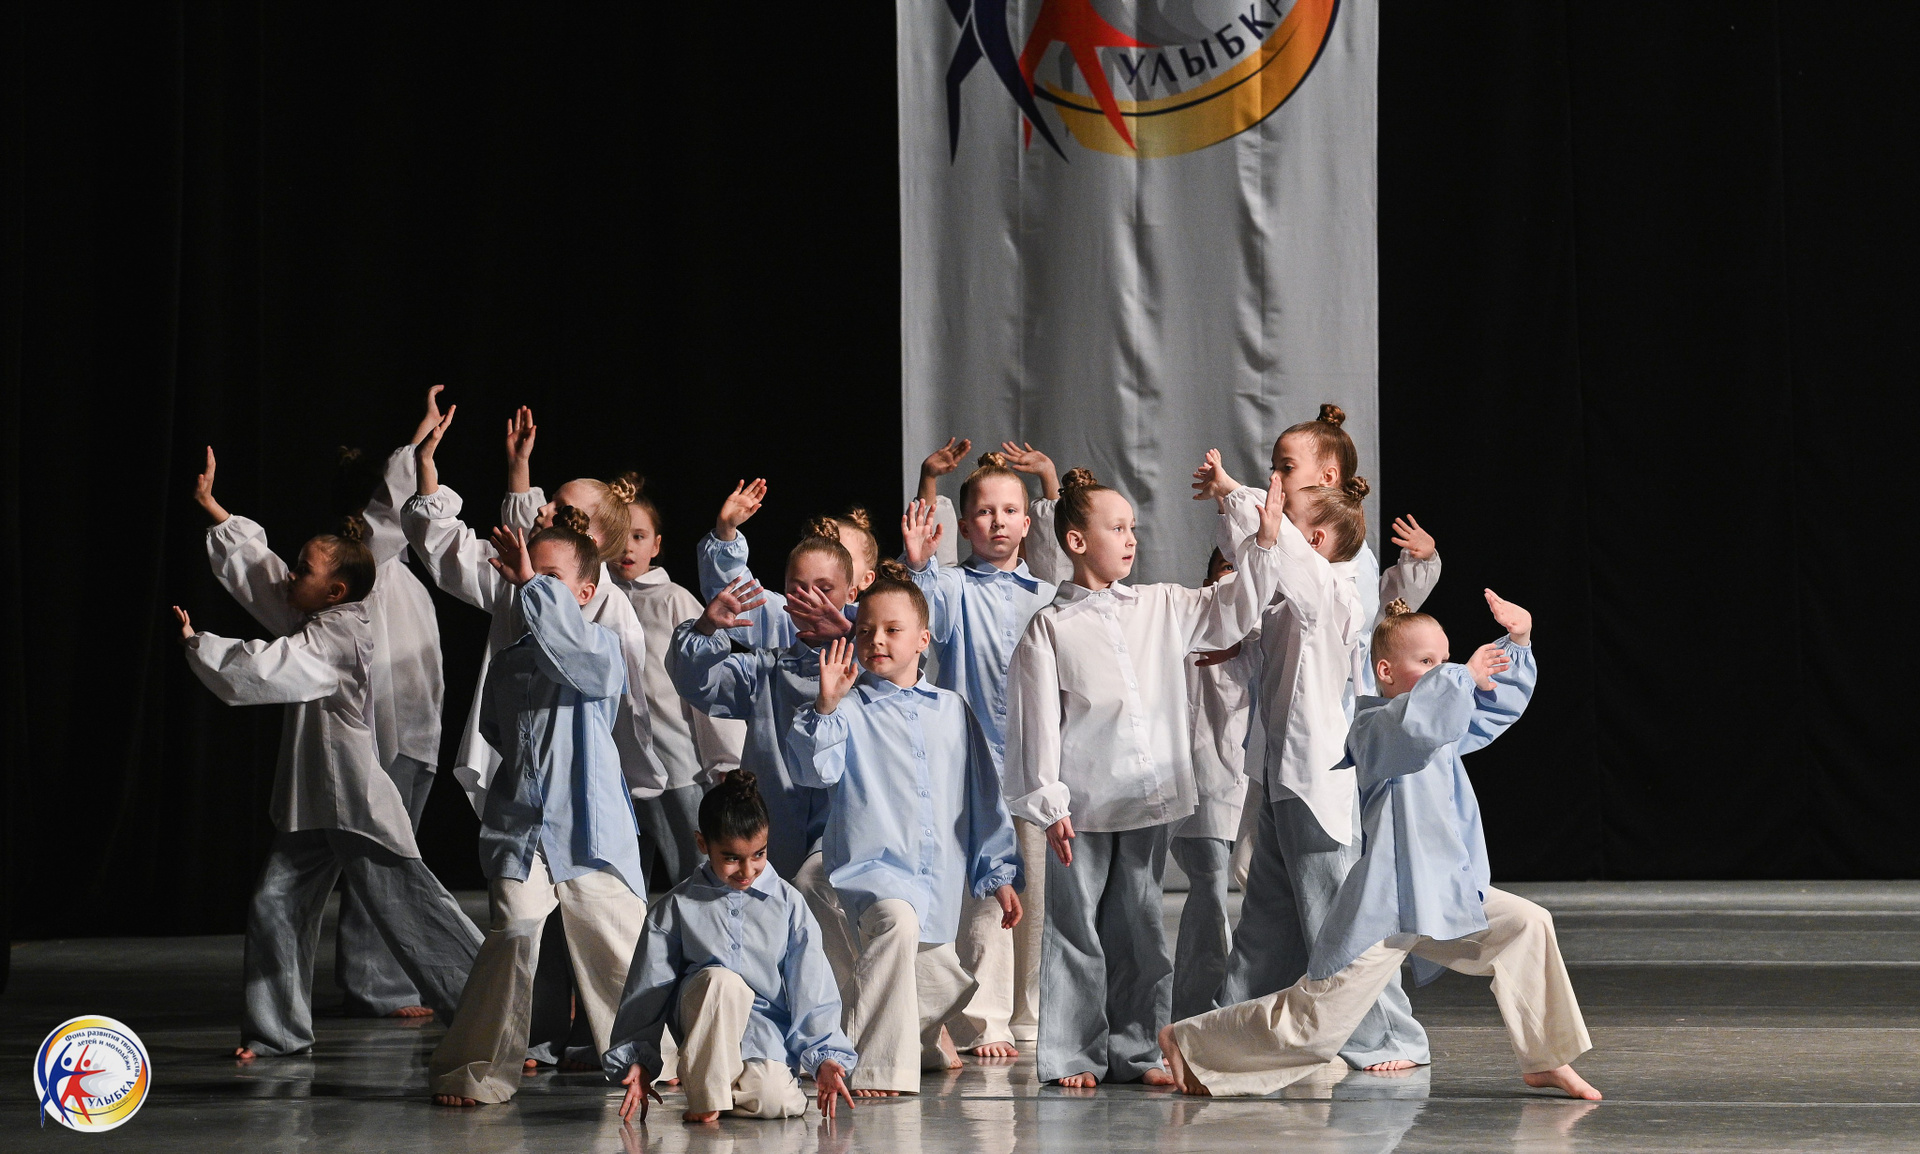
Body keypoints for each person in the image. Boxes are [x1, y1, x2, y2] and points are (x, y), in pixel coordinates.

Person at [1160, 592, 1601, 1102]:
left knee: (1528, 925)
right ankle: (1189, 1041)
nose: (1443, 669)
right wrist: (1460, 676)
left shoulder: (1442, 722)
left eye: (1445, 658)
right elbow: (1415, 725)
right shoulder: (1372, 727)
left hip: (1441, 894)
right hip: (1387, 904)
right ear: (1385, 672)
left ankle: (1547, 1058)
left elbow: (1486, 707)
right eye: (1427, 662)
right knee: (1318, 1021)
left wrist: (1517, 642)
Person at [177, 450, 479, 1061]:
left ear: (335, 587)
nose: (291, 576)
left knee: (408, 902)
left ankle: (493, 1008)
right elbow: (266, 576)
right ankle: (276, 1032)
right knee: (278, 901)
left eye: (304, 570)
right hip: (318, 793)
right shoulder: (320, 611)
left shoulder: (339, 629)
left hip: (351, 793)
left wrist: (200, 645)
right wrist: (216, 512)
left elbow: (271, 668)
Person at [1003, 466, 1285, 1088]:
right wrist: (1048, 801)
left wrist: (1263, 547)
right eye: (1117, 529)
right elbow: (1035, 721)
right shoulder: (1051, 626)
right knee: (1076, 929)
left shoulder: (1159, 605)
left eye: (1133, 528)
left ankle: (1135, 1050)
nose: (1131, 539)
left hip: (1147, 797)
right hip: (1082, 806)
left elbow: (1231, 612)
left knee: (1139, 927)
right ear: (1077, 541)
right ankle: (1074, 1054)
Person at [1187, 410, 1442, 1071]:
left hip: (1321, 769)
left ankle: (1389, 1037)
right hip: (1284, 770)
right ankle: (1229, 1035)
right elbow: (1260, 567)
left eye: (1286, 473)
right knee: (1267, 920)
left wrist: (1234, 492)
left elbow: (1286, 555)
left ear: (1321, 532)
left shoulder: (1335, 583)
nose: (1274, 485)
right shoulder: (1299, 582)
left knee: (1339, 913)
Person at [429, 523, 652, 1106]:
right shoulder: (507, 663)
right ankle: (477, 1066)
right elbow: (496, 732)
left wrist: (530, 582)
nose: (533, 585)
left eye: (551, 578)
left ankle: (645, 1056)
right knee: (512, 934)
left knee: (614, 943)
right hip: (522, 827)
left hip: (589, 828)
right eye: (529, 575)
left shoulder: (600, 646)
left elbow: (577, 661)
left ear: (585, 592)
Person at [789, 564, 1023, 1094]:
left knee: (939, 980)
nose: (876, 640)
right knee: (896, 924)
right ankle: (867, 1066)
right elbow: (813, 770)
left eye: (892, 630)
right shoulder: (846, 710)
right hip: (871, 874)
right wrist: (825, 706)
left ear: (923, 638)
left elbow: (982, 798)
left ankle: (917, 1044)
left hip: (936, 882)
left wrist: (999, 871)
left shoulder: (953, 710)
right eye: (866, 630)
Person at [900, 449, 1055, 1056]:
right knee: (987, 896)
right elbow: (923, 609)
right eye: (985, 512)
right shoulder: (953, 586)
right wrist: (920, 560)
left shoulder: (1045, 593)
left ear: (1027, 523)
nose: (998, 522)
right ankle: (983, 1019)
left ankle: (1031, 1011)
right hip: (972, 765)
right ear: (964, 526)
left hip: (1036, 766)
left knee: (1036, 894)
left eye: (1010, 511)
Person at [665, 531, 864, 994]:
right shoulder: (765, 670)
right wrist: (706, 628)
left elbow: (906, 675)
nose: (811, 601)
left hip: (847, 832)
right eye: (798, 590)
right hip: (776, 834)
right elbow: (697, 683)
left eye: (825, 589)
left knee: (817, 889)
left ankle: (848, 1012)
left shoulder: (869, 667)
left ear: (851, 593)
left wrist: (851, 636)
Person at [605, 771, 858, 1123]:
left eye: (758, 854)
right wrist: (638, 1060)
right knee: (721, 980)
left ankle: (721, 1086)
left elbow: (812, 986)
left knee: (776, 1102)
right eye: (731, 858)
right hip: (705, 1023)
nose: (747, 870)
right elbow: (647, 990)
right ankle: (707, 1095)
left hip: (764, 1034)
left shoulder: (789, 905)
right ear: (702, 843)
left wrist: (824, 1058)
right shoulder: (676, 906)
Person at [321, 397, 450, 1021]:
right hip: (382, 738)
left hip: (413, 737)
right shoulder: (367, 563)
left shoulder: (399, 573)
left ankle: (385, 979)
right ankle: (374, 985)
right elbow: (392, 501)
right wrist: (421, 443)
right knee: (379, 860)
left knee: (397, 859)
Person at [608, 472, 747, 889]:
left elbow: (706, 682)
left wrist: (725, 759)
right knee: (620, 884)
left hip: (675, 765)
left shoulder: (673, 600)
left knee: (695, 872)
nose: (628, 547)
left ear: (656, 544)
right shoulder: (598, 600)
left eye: (638, 536)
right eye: (620, 536)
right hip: (618, 769)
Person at [1169, 549, 1255, 1021]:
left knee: (1266, 892)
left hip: (1260, 783)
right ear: (1208, 581)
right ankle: (1200, 1009)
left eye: (1243, 569)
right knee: (1209, 886)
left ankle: (1255, 999)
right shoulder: (1185, 630)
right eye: (1225, 568)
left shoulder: (1270, 632)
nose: (1233, 577)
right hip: (1202, 781)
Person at [694, 480, 876, 647]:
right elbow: (733, 596)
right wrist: (726, 531)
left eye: (845, 556)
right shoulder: (784, 616)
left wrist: (848, 635)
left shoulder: (877, 619)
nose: (811, 596)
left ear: (866, 579)